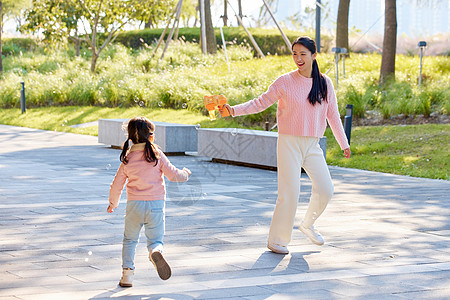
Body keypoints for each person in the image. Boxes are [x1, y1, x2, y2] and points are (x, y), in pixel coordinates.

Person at [220, 36, 351, 254]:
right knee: (289, 193)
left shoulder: (325, 83)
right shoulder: (285, 81)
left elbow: (333, 115)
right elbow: (260, 102)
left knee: (326, 189)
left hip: (313, 145)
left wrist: (343, 143)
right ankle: (277, 240)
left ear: (314, 55)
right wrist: (233, 110)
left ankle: (308, 224)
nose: (298, 58)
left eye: (303, 54)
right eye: (294, 54)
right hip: (289, 142)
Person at [107, 117, 191, 287]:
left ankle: (127, 276)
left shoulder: (128, 158)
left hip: (134, 206)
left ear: (130, 138)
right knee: (155, 239)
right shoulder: (157, 155)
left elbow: (117, 184)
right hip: (155, 206)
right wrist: (185, 174)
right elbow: (174, 175)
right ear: (151, 137)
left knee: (130, 240)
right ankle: (155, 251)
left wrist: (112, 203)